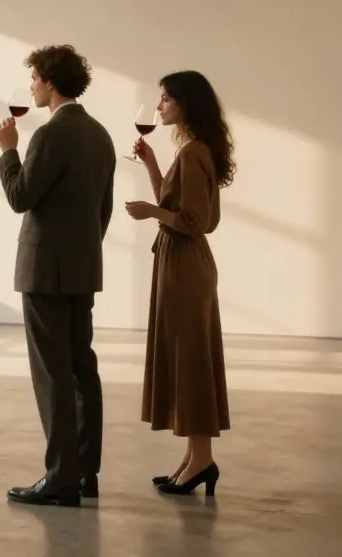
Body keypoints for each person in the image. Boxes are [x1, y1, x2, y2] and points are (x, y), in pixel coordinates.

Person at [0, 45, 116, 508]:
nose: (31, 87)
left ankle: (60, 478)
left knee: (52, 375)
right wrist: (82, 252)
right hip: (83, 269)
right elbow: (101, 210)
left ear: (50, 81)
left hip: (45, 272)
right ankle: (84, 472)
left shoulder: (48, 135)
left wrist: (8, 153)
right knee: (82, 368)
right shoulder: (100, 135)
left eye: (34, 79)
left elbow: (21, 196)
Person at [124, 70, 235, 497]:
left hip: (185, 265)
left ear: (186, 104)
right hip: (180, 263)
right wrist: (152, 164)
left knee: (191, 362)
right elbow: (177, 205)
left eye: (167, 99)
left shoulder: (192, 153)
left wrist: (151, 212)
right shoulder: (192, 150)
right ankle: (194, 458)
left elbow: (194, 222)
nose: (159, 106)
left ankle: (202, 460)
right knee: (190, 358)